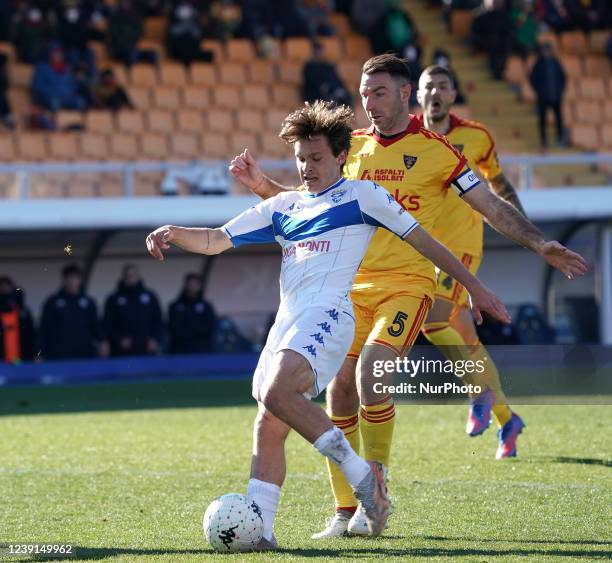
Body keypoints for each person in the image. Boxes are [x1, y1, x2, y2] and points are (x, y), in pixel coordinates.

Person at [229, 54, 588, 538]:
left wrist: (539, 242)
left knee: (373, 372)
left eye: (378, 92)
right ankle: (343, 512)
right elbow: (304, 202)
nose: (368, 102)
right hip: (350, 289)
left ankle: (375, 493)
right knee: (340, 390)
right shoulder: (350, 147)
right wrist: (260, 187)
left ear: (403, 94)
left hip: (409, 286)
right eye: (363, 94)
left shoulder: (439, 151)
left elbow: (490, 206)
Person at [146, 100, 513, 548]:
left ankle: (365, 481)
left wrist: (474, 286)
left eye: (316, 158)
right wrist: (173, 232)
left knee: (280, 392)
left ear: (342, 156)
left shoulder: (364, 196)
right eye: (301, 159)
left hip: (331, 315)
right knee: (268, 417)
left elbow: (424, 240)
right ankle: (261, 530)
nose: (307, 168)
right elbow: (217, 240)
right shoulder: (283, 206)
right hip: (288, 322)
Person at [416, 64, 526, 458]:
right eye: (428, 86)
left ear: (453, 94)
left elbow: (499, 184)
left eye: (443, 86)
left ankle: (477, 392)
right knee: (464, 337)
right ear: (417, 95)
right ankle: (507, 420)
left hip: (461, 246)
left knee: (432, 319)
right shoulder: (410, 136)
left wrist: (525, 230)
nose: (435, 92)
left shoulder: (476, 136)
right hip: (423, 247)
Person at [40, 264, 107, 360]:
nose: (72, 281)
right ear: (64, 280)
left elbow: (95, 325)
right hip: (58, 354)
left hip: (84, 353)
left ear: (80, 280)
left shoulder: (88, 302)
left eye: (75, 278)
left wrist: (102, 341)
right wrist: (39, 352)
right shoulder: (52, 302)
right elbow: (44, 329)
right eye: (69, 278)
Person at [103, 264, 163, 357]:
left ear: (138, 276)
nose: (131, 278)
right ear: (124, 277)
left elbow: (159, 321)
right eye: (128, 276)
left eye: (133, 275)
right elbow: (107, 324)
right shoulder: (113, 299)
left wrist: (155, 339)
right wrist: (118, 339)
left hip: (147, 349)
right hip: (121, 351)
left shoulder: (150, 297)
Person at [529, 42, 566, 150]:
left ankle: (560, 139)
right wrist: (539, 91)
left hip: (556, 96)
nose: (547, 52)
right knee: (542, 120)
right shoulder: (538, 64)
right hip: (543, 97)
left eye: (549, 50)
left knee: (559, 119)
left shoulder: (556, 62)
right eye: (545, 50)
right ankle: (544, 142)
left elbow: (563, 78)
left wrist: (560, 91)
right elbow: (532, 78)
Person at [168, 273, 217, 354]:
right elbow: (174, 328)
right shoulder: (175, 306)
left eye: (194, 284)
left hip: (202, 350)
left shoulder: (206, 307)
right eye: (190, 284)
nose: (192, 286)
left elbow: (209, 327)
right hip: (180, 350)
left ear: (200, 286)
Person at [31, 45, 88, 112]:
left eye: (60, 53)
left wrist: (78, 81)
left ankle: (78, 122)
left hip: (68, 98)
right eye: (55, 53)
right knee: (55, 102)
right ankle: (54, 122)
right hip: (51, 97)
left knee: (81, 102)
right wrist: (51, 92)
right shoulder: (42, 68)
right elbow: (37, 86)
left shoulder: (68, 69)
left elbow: (73, 87)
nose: (58, 55)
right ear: (50, 54)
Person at [302, 42, 352, 107]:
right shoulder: (310, 66)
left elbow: (336, 79)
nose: (320, 53)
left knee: (345, 98)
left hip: (331, 91)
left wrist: (339, 89)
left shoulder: (328, 66)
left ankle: (339, 94)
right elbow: (314, 82)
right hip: (316, 94)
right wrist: (328, 89)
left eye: (321, 50)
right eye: (318, 50)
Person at [0, 277, 35, 363]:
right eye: (2, 288)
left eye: (7, 287)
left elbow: (31, 334)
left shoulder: (23, 312)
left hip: (22, 358)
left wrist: (35, 354)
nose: (4, 290)